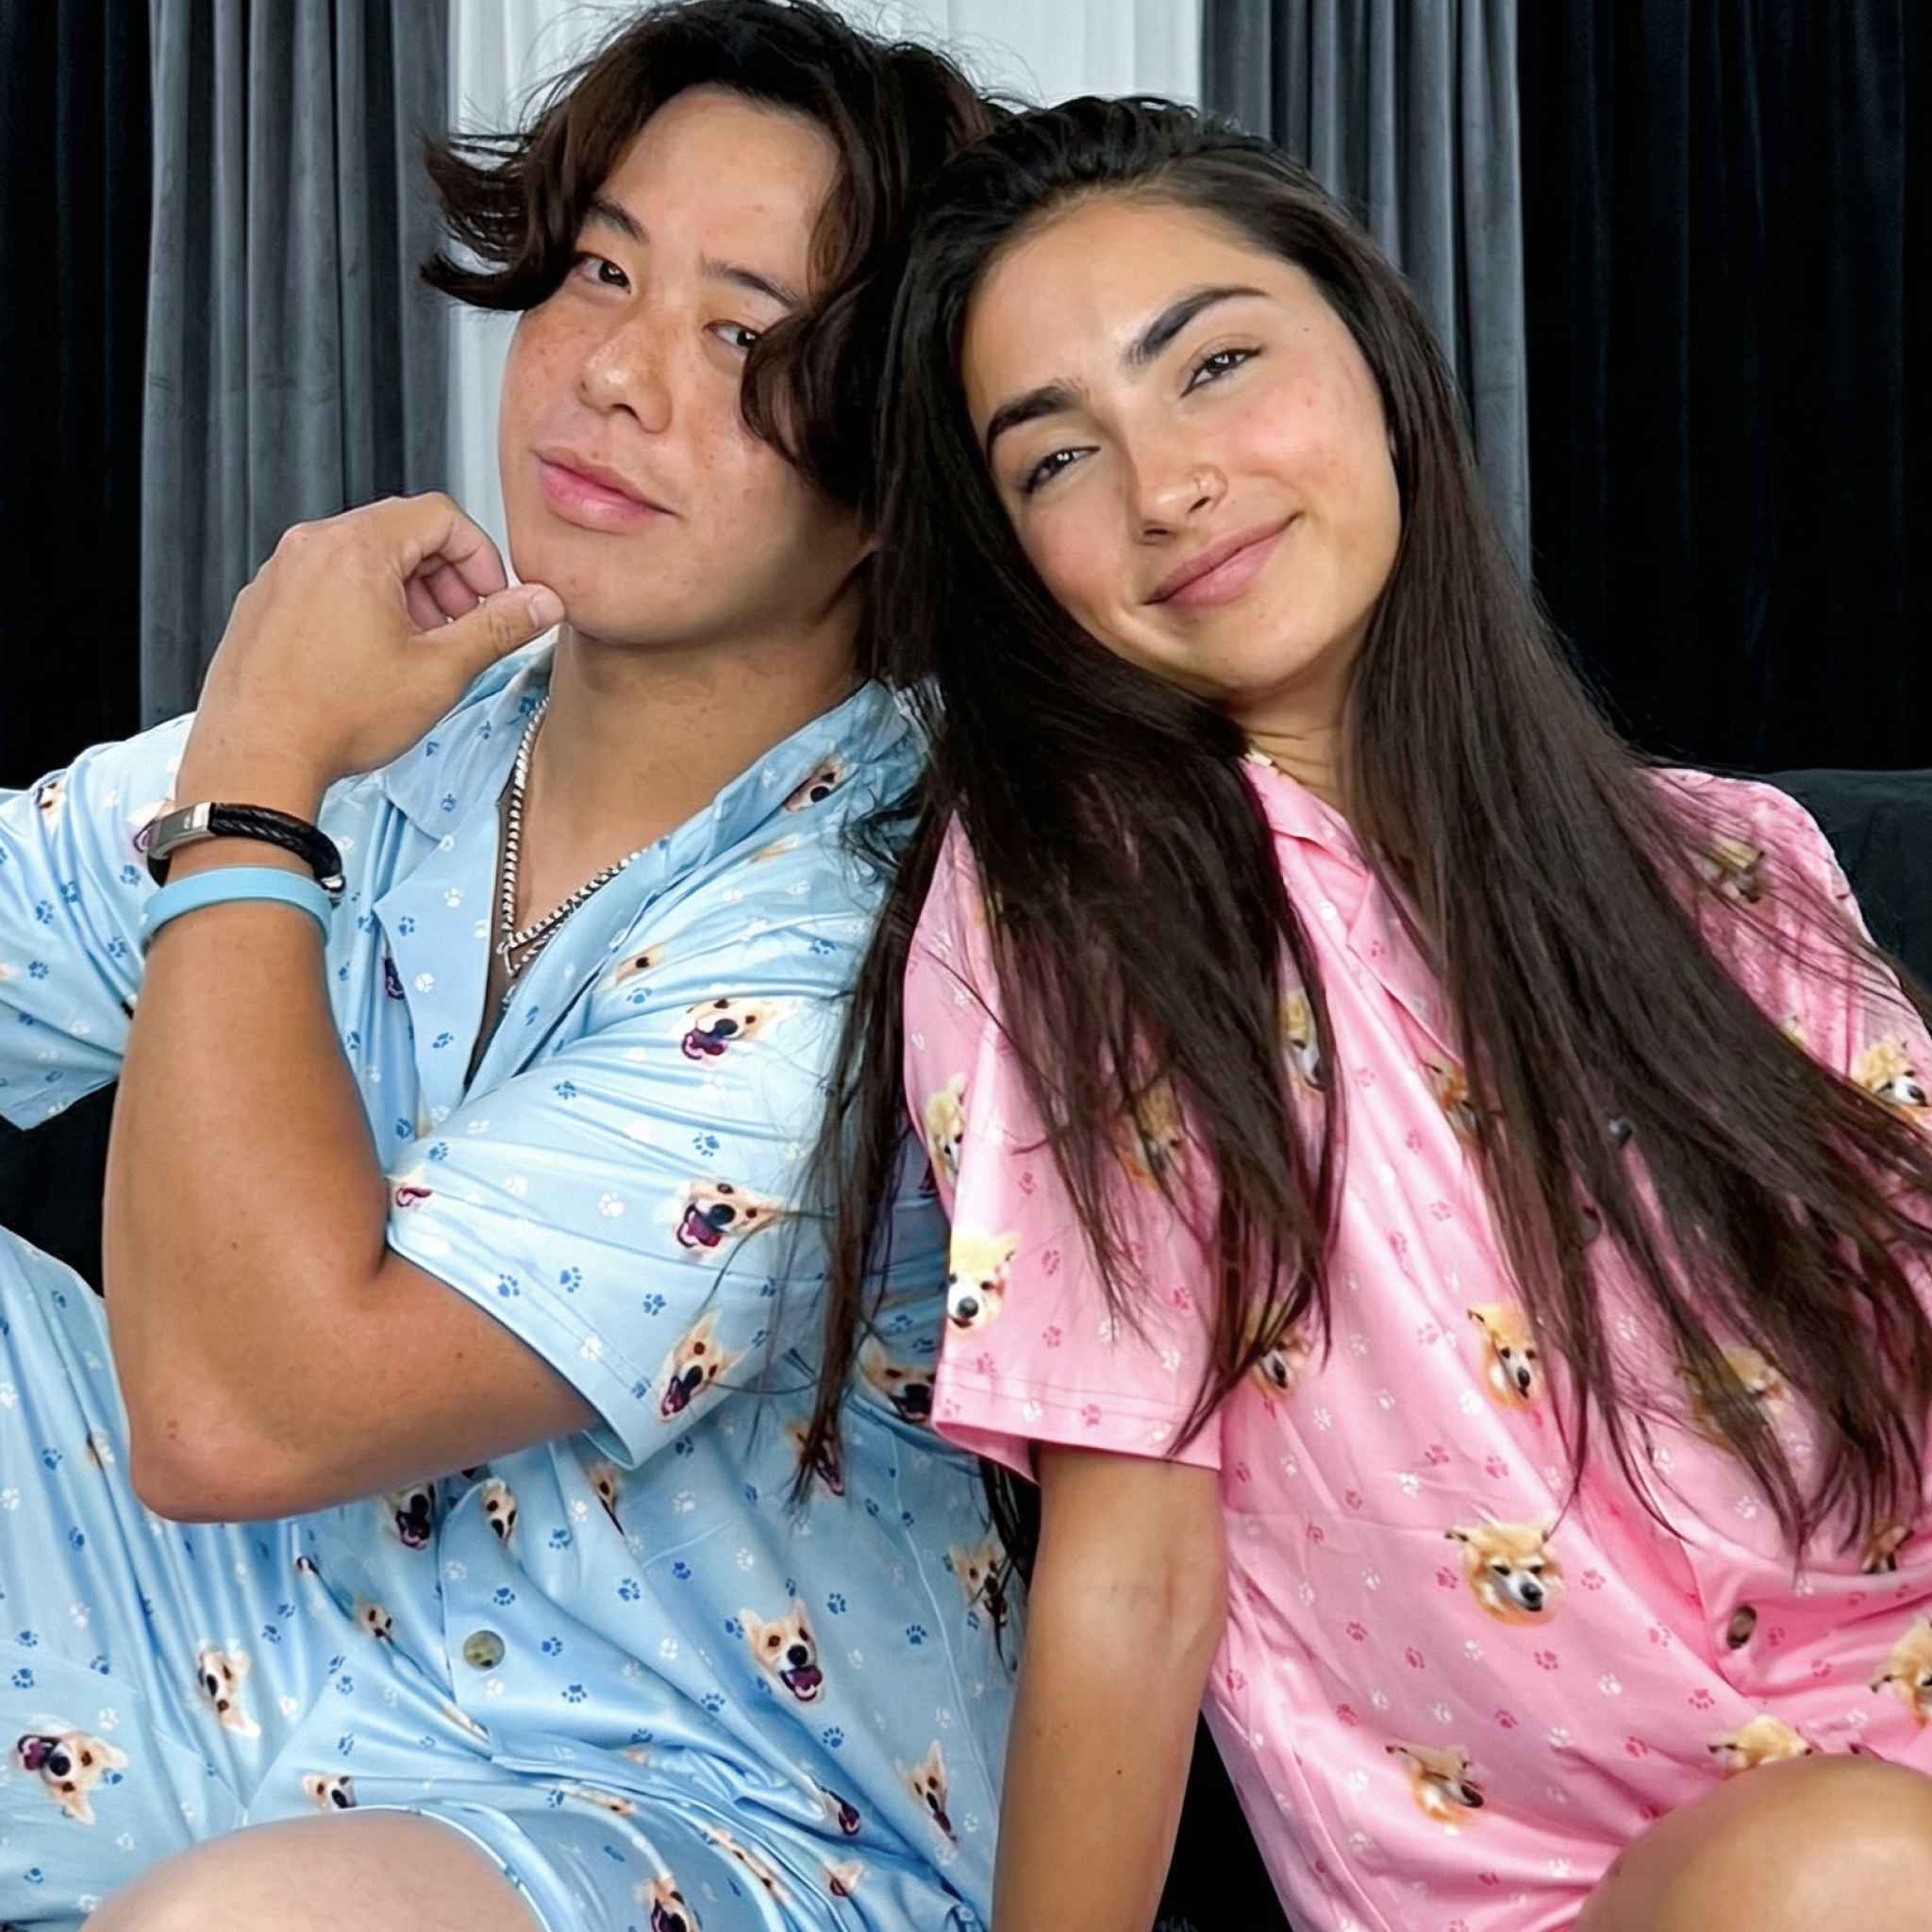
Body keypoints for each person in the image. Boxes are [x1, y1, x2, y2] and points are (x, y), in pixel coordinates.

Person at [810, 98, 1932, 1932]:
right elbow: (1133, 1578)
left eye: (1214, 365)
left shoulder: (1745, 870)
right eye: (1058, 458)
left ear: (1378, 359)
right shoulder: (1076, 904)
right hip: (1605, 1897)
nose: (1165, 485)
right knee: (1840, 1874)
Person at [0, 7, 1009, 1929]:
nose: (614, 374)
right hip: (251, 1643)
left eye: (744, 337)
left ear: (895, 467)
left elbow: (244, 1414)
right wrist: (274, 772)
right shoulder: (420, 728)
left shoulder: (872, 936)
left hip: (689, 1796)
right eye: (601, 272)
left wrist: (252, 784)